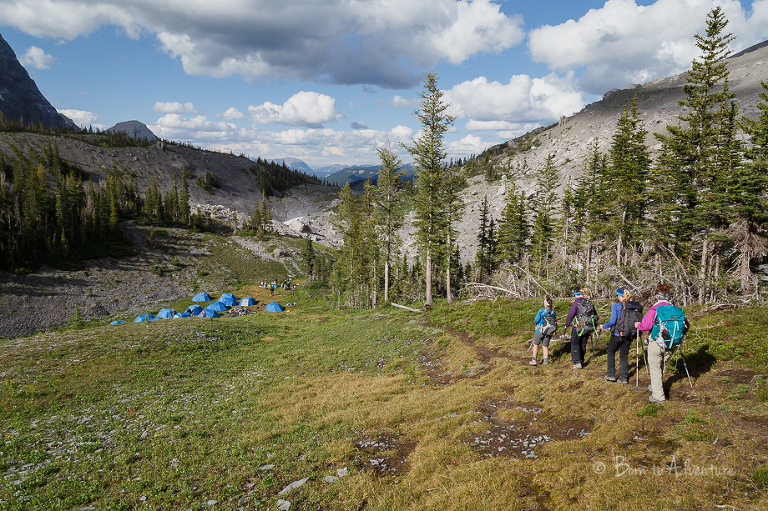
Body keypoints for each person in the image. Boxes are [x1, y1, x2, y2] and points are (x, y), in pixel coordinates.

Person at [635, 283, 689, 403]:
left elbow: (645, 326)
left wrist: (637, 325)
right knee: (661, 366)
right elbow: (686, 326)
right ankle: (656, 386)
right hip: (672, 343)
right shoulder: (676, 310)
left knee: (655, 368)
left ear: (657, 296)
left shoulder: (654, 309)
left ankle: (658, 396)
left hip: (656, 342)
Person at [601, 287, 632, 384]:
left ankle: (611, 374)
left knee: (611, 351)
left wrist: (604, 326)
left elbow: (612, 321)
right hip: (628, 334)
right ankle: (623, 378)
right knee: (624, 355)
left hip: (616, 334)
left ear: (619, 296)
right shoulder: (633, 306)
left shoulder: (616, 306)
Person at [563, 288, 595, 369]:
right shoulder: (589, 303)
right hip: (587, 327)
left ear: (577, 294)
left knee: (574, 343)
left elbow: (571, 315)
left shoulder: (576, 304)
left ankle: (577, 362)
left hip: (577, 327)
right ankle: (582, 360)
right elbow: (594, 315)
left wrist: (567, 324)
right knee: (583, 343)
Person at [530, 297, 557, 366]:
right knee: (545, 346)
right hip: (548, 332)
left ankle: (534, 360)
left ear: (545, 304)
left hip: (539, 331)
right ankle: (546, 361)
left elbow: (536, 320)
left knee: (536, 345)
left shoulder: (541, 311)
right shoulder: (553, 312)